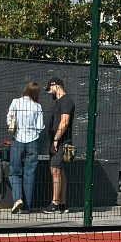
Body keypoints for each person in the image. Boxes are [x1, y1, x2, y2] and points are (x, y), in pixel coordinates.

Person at [6, 81, 45, 214]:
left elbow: (9, 119)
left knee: (15, 172)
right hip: (33, 142)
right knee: (30, 174)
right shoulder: (38, 106)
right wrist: (34, 134)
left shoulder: (16, 102)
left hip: (18, 139)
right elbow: (40, 127)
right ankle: (27, 207)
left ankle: (18, 199)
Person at [45, 76, 76, 214]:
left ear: (56, 86)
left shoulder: (66, 101)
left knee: (55, 170)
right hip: (60, 142)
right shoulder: (60, 101)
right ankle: (62, 204)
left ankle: (55, 204)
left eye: (50, 88)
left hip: (62, 143)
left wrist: (56, 140)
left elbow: (65, 122)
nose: (48, 92)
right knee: (60, 171)